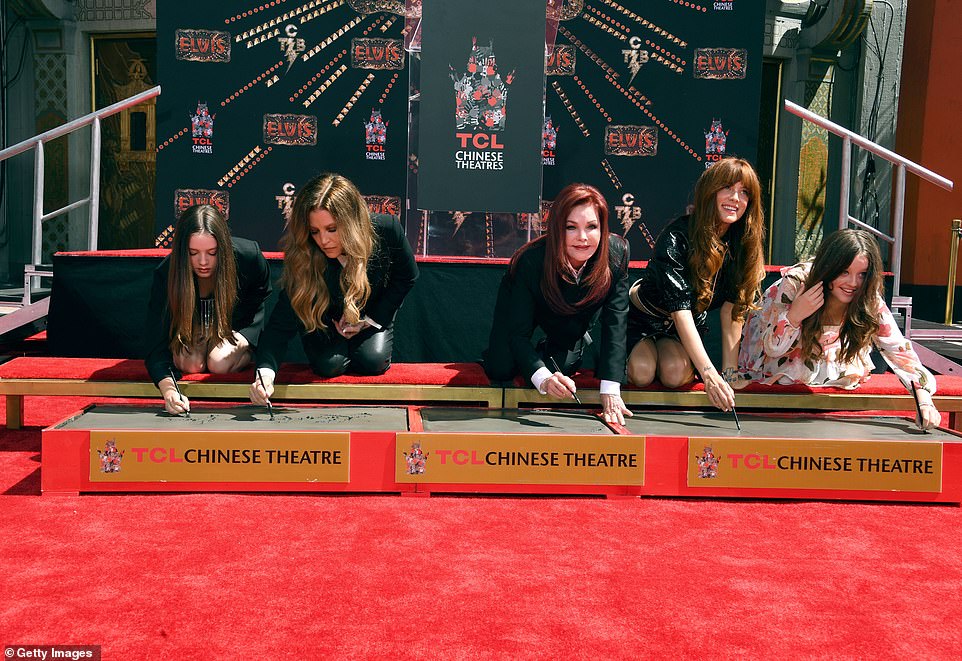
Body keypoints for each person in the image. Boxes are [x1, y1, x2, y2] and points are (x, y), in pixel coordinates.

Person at [739, 228, 940, 430]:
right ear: (829, 267)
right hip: (779, 372)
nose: (853, 283)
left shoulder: (867, 294)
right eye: (844, 272)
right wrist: (795, 315)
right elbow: (772, 348)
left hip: (835, 382)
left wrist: (924, 399)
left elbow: (898, 349)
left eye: (861, 274)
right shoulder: (797, 282)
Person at [250, 173, 418, 405]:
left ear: (351, 222)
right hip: (323, 322)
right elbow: (279, 325)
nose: (324, 240)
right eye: (315, 231)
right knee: (330, 365)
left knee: (373, 361)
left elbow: (407, 277)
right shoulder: (306, 254)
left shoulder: (387, 229)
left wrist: (369, 320)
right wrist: (265, 374)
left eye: (332, 229)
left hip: (370, 316)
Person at [483, 183, 632, 425]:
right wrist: (542, 377)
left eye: (592, 227)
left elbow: (616, 324)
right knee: (501, 367)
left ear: (603, 228)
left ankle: (562, 348)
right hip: (527, 308)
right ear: (556, 229)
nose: (582, 238)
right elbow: (517, 333)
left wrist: (610, 390)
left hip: (571, 319)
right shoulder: (530, 261)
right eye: (570, 227)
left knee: (562, 367)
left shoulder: (617, 254)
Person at [625, 157, 766, 412]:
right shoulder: (675, 236)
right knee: (644, 373)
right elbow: (680, 310)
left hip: (682, 328)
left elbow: (732, 311)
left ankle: (666, 356)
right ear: (709, 191)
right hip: (644, 319)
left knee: (675, 375)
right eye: (727, 188)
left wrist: (730, 373)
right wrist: (709, 374)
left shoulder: (742, 243)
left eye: (744, 192)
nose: (736, 198)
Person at [145, 204, 272, 415]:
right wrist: (169, 391)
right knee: (191, 363)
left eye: (212, 253)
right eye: (193, 253)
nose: (203, 262)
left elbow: (260, 298)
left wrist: (245, 338)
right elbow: (155, 343)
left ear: (223, 247)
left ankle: (240, 353)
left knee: (219, 362)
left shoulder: (248, 257)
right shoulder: (168, 273)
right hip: (190, 332)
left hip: (235, 328)